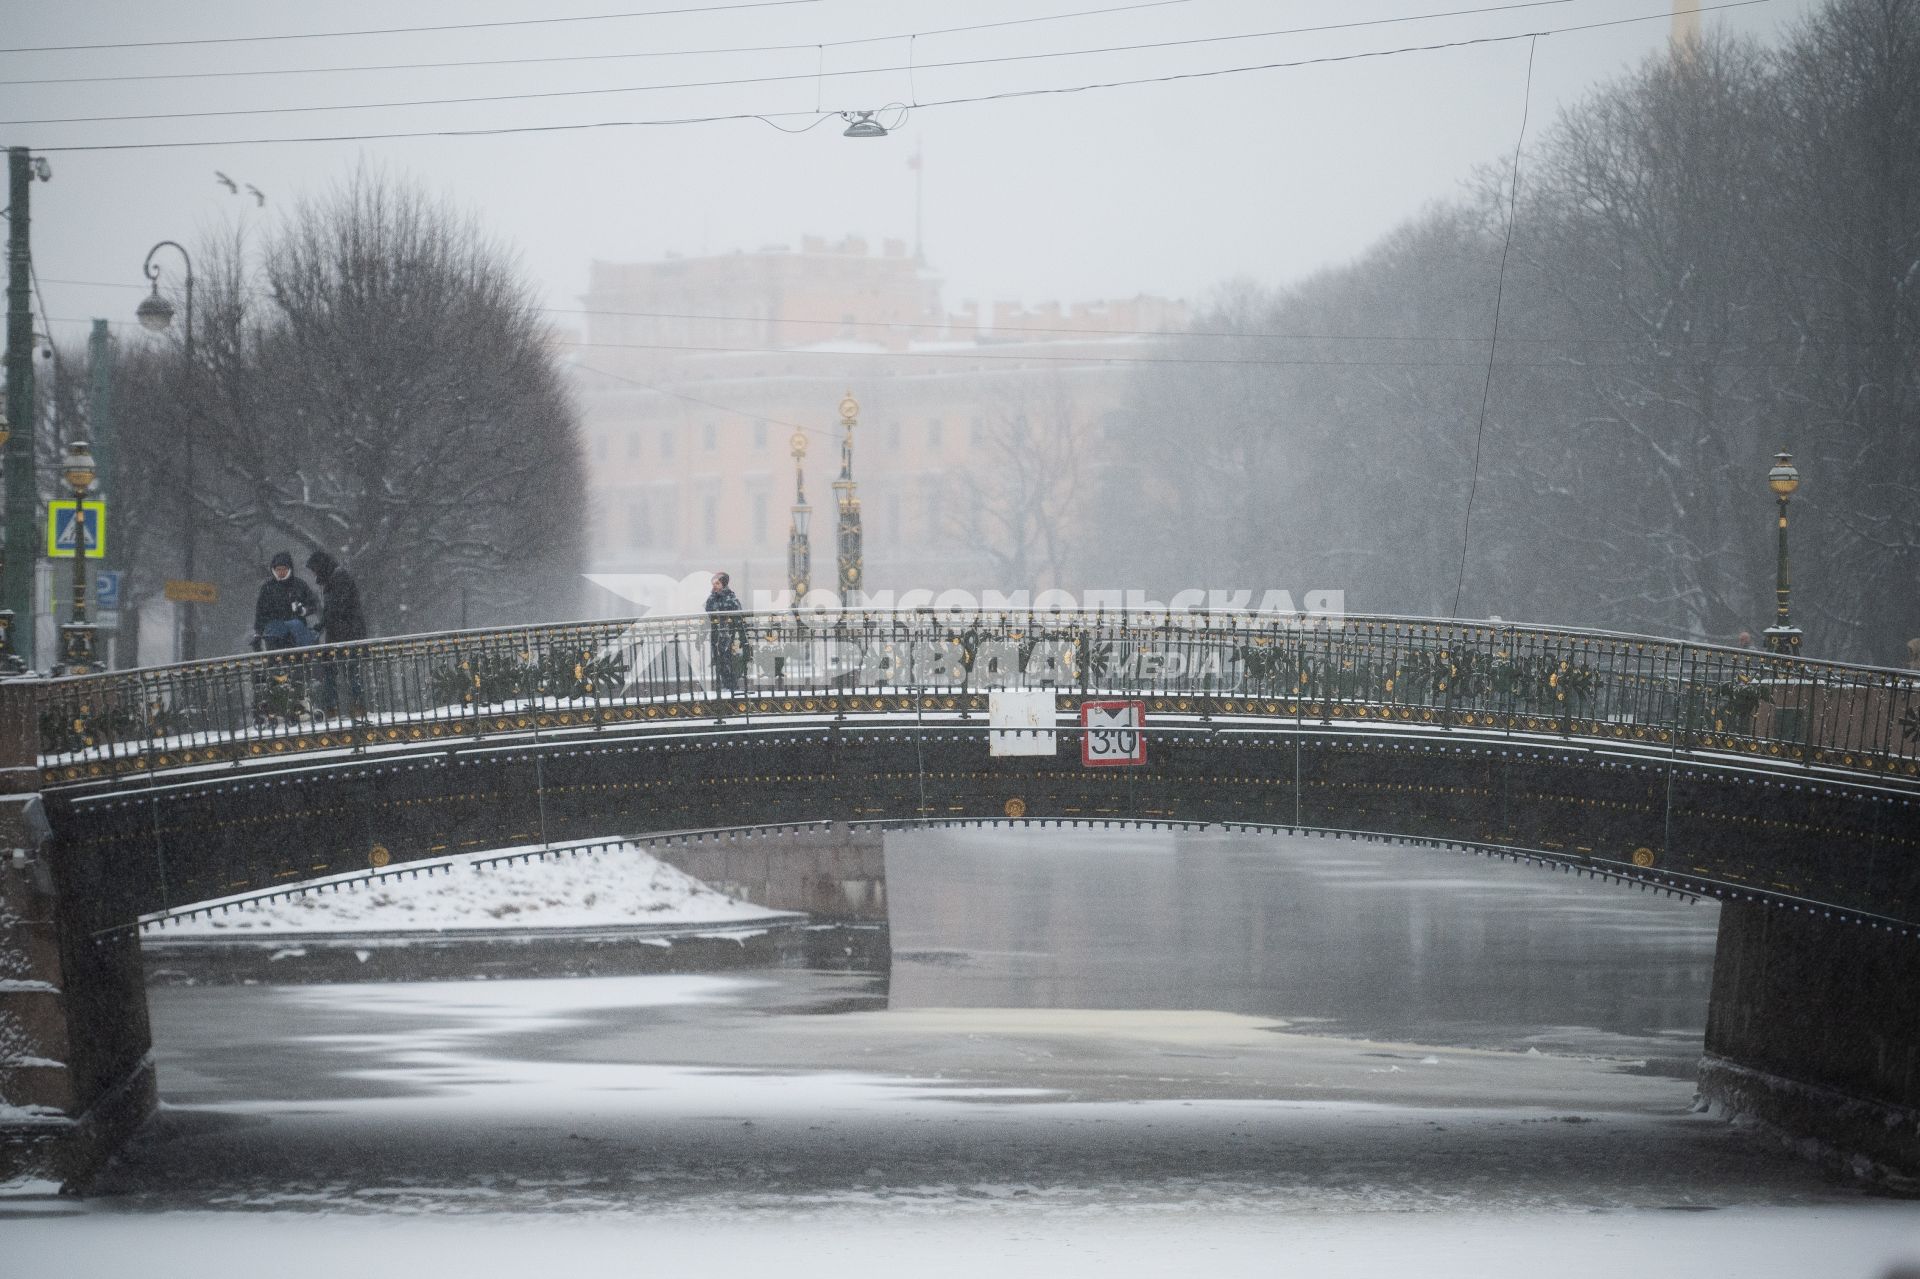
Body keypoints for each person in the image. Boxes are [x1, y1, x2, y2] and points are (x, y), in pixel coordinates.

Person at [306, 549, 369, 714]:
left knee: (344, 669)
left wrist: (323, 623)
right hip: (344, 631)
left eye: (314, 570)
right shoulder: (335, 577)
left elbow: (336, 607)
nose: (314, 575)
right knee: (346, 670)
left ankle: (340, 706)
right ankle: (351, 706)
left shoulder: (337, 579)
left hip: (345, 632)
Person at [252, 550, 318, 650]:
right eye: (278, 569)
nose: (281, 572)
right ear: (273, 570)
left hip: (297, 634)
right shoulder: (267, 589)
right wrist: (258, 633)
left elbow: (313, 604)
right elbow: (261, 613)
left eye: (284, 569)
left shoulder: (299, 585)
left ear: (289, 569)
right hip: (275, 635)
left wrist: (303, 610)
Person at [705, 570, 747, 693]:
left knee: (729, 658)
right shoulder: (712, 598)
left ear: (723, 584)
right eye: (714, 583)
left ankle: (731, 685)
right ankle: (724, 683)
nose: (714, 586)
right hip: (716, 633)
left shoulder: (730, 597)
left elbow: (738, 613)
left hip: (729, 633)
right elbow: (708, 612)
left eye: (717, 583)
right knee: (718, 658)